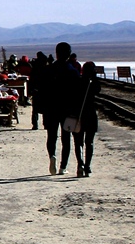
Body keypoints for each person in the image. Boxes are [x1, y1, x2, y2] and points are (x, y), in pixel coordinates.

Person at [44, 42, 83, 175]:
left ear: (56, 53)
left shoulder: (49, 70)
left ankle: (52, 156)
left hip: (51, 108)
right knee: (66, 138)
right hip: (68, 109)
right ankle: (62, 167)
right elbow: (78, 92)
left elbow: (44, 90)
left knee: (51, 135)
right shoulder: (73, 71)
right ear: (69, 54)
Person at [76, 63, 102, 177]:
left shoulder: (78, 81)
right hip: (90, 113)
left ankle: (80, 164)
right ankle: (87, 166)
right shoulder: (94, 83)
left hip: (78, 114)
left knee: (78, 141)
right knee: (89, 142)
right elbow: (97, 91)